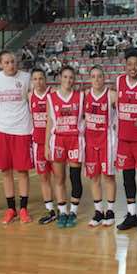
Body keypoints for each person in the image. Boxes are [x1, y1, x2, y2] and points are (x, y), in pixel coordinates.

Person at [0, 50, 34, 224]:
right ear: (1, 64)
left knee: (22, 171)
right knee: (6, 171)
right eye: (7, 62)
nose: (11, 65)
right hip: (2, 129)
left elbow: (35, 98)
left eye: (13, 61)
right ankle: (11, 209)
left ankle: (23, 209)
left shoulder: (26, 77)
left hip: (22, 129)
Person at [115, 50, 137, 232]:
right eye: (130, 64)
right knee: (127, 177)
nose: (133, 68)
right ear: (125, 65)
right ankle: (131, 214)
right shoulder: (119, 81)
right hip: (123, 139)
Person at [45, 66, 85, 228]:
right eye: (65, 77)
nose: (68, 80)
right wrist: (47, 145)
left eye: (71, 77)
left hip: (75, 140)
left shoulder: (81, 97)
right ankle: (63, 211)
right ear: (60, 78)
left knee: (75, 178)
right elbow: (49, 122)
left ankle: (73, 211)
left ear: (74, 80)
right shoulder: (51, 98)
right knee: (59, 178)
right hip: (58, 141)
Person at [83, 66, 118, 227]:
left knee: (108, 177)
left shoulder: (111, 95)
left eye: (99, 76)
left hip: (107, 141)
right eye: (93, 76)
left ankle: (110, 210)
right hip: (90, 141)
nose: (96, 79)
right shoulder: (84, 96)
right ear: (90, 79)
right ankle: (98, 211)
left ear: (104, 78)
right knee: (94, 177)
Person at [29, 69, 57, 225]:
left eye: (41, 78)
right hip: (37, 142)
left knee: (59, 177)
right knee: (43, 177)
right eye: (35, 79)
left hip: (53, 141)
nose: (38, 81)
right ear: (32, 81)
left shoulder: (52, 93)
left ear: (45, 79)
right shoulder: (29, 96)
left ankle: (61, 206)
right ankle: (50, 210)